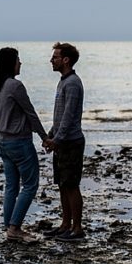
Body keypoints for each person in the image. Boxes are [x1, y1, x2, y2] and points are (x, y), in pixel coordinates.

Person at [0, 47, 49, 243]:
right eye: (18, 59)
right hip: (19, 142)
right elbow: (30, 113)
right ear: (10, 63)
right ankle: (15, 228)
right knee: (30, 185)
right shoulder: (15, 86)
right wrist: (44, 137)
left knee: (11, 186)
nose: (20, 63)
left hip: (3, 141)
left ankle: (9, 226)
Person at [42, 41, 86, 241]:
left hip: (71, 142)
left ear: (66, 60)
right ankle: (65, 224)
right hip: (61, 141)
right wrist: (51, 136)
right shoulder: (63, 81)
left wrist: (57, 140)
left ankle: (77, 229)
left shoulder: (73, 83)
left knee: (71, 184)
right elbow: (59, 116)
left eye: (55, 57)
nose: (52, 60)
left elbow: (69, 117)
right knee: (62, 184)